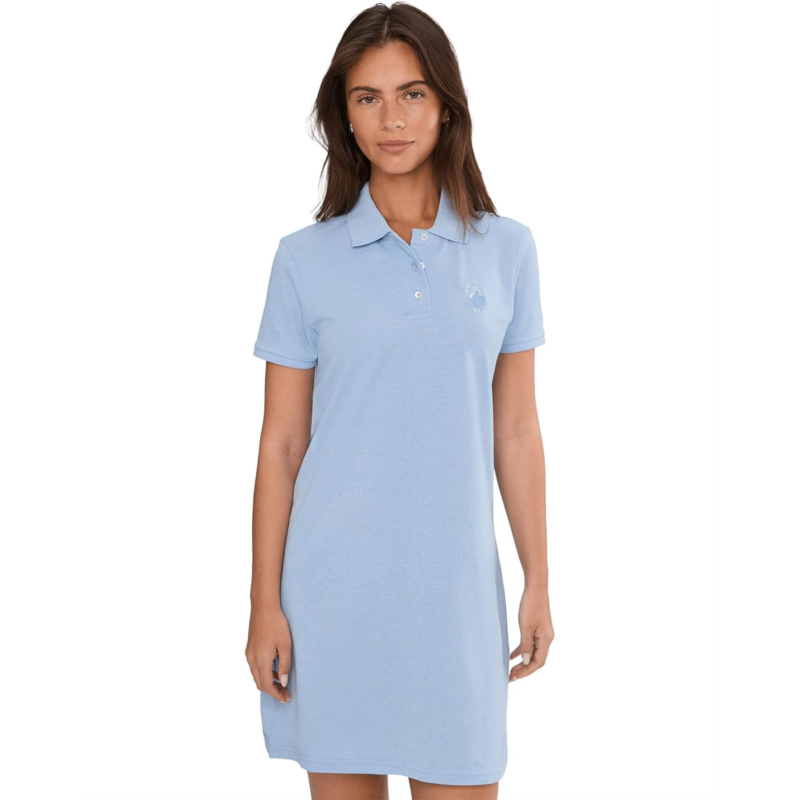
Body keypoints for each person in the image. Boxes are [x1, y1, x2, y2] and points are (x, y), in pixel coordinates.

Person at [245, 4, 554, 799]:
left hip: (455, 598)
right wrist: (263, 603)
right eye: (368, 97)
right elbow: (282, 445)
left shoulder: (507, 250)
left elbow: (516, 431)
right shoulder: (303, 261)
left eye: (412, 93)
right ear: (344, 117)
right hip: (332, 596)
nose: (392, 118)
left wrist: (538, 579)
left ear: (446, 105)